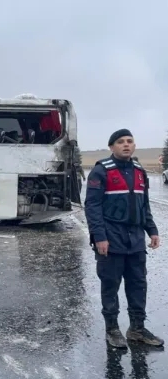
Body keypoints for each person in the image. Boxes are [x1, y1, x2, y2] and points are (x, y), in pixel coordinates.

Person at [84, 128, 163, 348]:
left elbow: (144, 204)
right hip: (111, 239)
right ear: (112, 147)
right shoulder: (101, 171)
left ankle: (137, 329)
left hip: (135, 240)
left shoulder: (139, 171)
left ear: (134, 146)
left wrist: (152, 230)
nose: (126, 144)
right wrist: (99, 237)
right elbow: (92, 207)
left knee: (138, 284)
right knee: (110, 285)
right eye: (120, 142)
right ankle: (112, 329)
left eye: (130, 141)